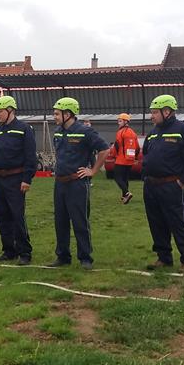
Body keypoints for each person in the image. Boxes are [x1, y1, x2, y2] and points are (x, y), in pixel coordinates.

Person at [142, 94, 184, 273]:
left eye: (155, 112)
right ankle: (164, 257)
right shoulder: (153, 133)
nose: (151, 116)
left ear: (167, 112)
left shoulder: (182, 130)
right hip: (151, 186)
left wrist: (182, 182)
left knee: (178, 223)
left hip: (171, 186)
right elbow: (146, 154)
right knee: (156, 223)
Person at [48, 98, 109, 270]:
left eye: (57, 114)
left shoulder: (85, 131)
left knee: (80, 221)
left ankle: (85, 257)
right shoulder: (58, 132)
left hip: (77, 184)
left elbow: (105, 149)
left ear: (68, 114)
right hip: (60, 183)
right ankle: (62, 256)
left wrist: (93, 170)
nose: (54, 117)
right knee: (60, 221)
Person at [0, 96, 37, 265]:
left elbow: (30, 156)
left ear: (10, 111)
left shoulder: (24, 129)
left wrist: (27, 179)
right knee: (2, 216)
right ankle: (9, 250)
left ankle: (24, 252)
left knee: (17, 216)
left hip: (16, 179)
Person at [113, 113, 140, 204]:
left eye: (120, 121)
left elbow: (116, 146)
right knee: (125, 178)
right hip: (130, 161)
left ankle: (127, 193)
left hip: (121, 160)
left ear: (126, 122)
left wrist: (114, 155)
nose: (118, 123)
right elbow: (137, 148)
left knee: (117, 177)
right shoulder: (133, 133)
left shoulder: (120, 132)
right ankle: (124, 196)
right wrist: (135, 158)